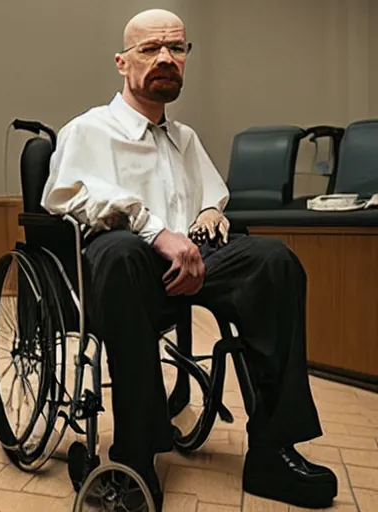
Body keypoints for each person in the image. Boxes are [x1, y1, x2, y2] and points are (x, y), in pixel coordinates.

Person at [41, 8, 338, 510]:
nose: (166, 58)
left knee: (274, 261)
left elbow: (209, 195)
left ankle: (272, 447)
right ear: (121, 61)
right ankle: (134, 456)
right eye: (150, 49)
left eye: (176, 49)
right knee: (120, 252)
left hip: (194, 261)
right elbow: (65, 195)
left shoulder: (185, 139)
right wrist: (156, 231)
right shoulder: (88, 131)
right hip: (123, 269)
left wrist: (208, 213)